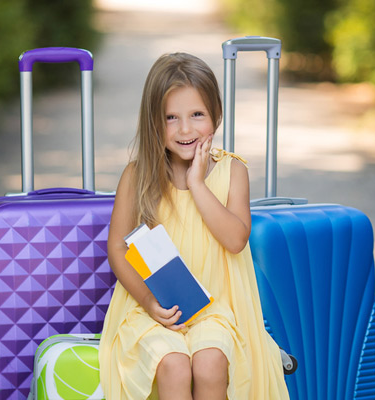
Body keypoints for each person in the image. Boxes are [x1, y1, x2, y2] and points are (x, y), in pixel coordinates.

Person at [98, 52, 290, 400]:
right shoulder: (137, 175)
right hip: (149, 308)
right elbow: (117, 248)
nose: (185, 129)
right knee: (172, 363)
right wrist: (148, 301)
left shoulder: (233, 172)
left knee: (210, 362)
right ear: (153, 122)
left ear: (216, 115)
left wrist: (198, 184)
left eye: (196, 115)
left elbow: (235, 240)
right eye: (171, 117)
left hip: (215, 310)